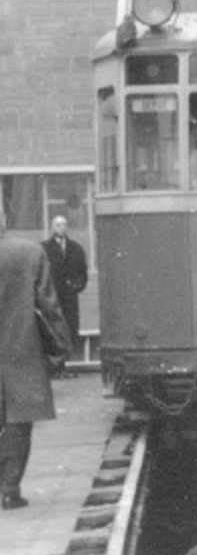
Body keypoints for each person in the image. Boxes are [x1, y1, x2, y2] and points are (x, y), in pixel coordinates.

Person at [0, 204, 68, 511]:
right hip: (21, 352)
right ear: (3, 217)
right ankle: (9, 489)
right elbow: (49, 306)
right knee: (18, 422)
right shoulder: (29, 253)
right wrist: (60, 349)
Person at [42, 215, 89, 367]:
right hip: (52, 298)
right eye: (58, 224)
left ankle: (69, 363)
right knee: (53, 329)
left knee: (71, 327)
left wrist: (77, 286)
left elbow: (83, 272)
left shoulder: (76, 248)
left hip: (70, 298)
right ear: (52, 227)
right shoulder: (44, 248)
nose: (62, 227)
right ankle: (57, 365)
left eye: (64, 224)